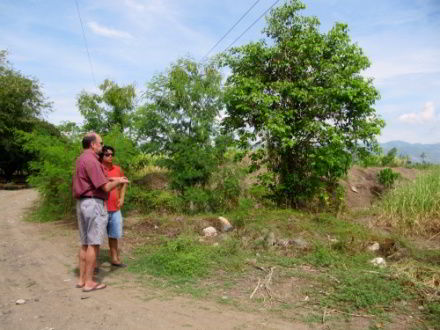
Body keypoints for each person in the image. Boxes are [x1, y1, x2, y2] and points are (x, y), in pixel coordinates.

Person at [72, 132, 129, 292]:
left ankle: (82, 279)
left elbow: (97, 180)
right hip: (93, 203)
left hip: (82, 203)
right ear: (93, 144)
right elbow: (104, 186)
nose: (102, 146)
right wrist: (119, 182)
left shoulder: (81, 159)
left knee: (84, 243)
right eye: (101, 143)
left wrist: (116, 179)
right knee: (94, 243)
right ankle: (90, 282)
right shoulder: (92, 160)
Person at [100, 145, 127, 267]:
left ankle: (115, 259)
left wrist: (122, 197)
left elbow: (124, 182)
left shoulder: (118, 169)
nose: (110, 156)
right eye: (107, 154)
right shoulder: (98, 169)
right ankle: (93, 264)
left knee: (114, 235)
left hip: (115, 208)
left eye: (111, 154)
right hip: (101, 207)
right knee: (96, 237)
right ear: (101, 156)